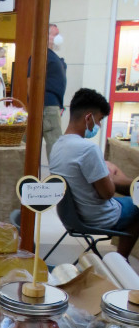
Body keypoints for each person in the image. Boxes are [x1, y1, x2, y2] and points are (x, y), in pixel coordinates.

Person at [49, 88, 139, 258]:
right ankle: (121, 259)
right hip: (97, 217)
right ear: (88, 117)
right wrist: (111, 177)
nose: (98, 126)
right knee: (137, 203)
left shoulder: (58, 145)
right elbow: (107, 193)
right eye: (99, 120)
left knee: (115, 176)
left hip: (70, 216)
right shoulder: (88, 149)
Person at [28, 24, 67, 159]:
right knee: (55, 144)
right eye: (55, 34)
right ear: (46, 36)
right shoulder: (40, 56)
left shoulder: (51, 56)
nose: (58, 37)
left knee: (54, 145)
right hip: (47, 106)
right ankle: (57, 176)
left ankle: (56, 175)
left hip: (51, 105)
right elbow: (30, 81)